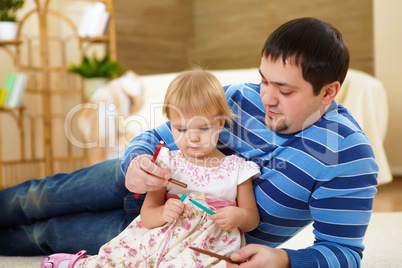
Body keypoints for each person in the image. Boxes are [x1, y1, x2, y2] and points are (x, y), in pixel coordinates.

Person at [0, 17, 377, 268]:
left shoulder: (346, 156)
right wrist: (136, 162)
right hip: (146, 185)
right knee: (38, 196)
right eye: (264, 80)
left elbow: (344, 252)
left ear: (329, 92)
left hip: (170, 241)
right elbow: (155, 136)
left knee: (45, 235)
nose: (266, 97)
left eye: (284, 89)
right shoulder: (240, 99)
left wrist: (284, 259)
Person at [41, 68, 261, 267]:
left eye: (203, 128)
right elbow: (147, 215)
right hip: (162, 240)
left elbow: (252, 217)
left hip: (209, 249)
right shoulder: (167, 162)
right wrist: (164, 212)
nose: (192, 138)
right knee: (123, 258)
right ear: (171, 126)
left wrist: (239, 216)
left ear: (220, 124)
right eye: (181, 129)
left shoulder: (237, 169)